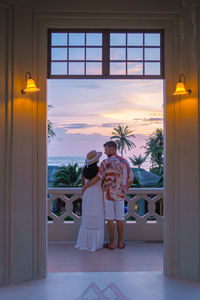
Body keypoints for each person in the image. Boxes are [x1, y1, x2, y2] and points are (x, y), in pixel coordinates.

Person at [82, 141, 134, 250]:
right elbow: (130, 179)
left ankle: (111, 243)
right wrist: (124, 190)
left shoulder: (105, 162)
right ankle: (120, 243)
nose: (105, 152)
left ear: (111, 149)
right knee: (120, 218)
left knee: (110, 218)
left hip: (108, 194)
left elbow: (98, 177)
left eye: (106, 149)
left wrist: (86, 186)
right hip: (120, 195)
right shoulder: (125, 162)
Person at [75, 150, 104, 251]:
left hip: (87, 194)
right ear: (97, 160)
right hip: (97, 195)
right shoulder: (100, 170)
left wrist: (85, 187)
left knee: (87, 217)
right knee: (97, 215)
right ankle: (96, 244)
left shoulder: (84, 170)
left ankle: (85, 242)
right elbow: (102, 183)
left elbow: (83, 183)